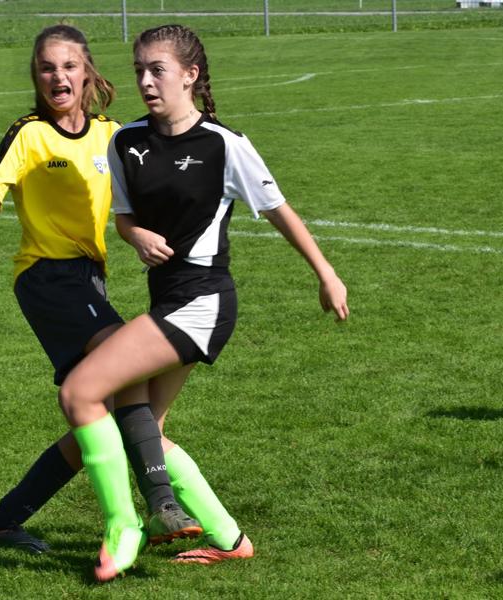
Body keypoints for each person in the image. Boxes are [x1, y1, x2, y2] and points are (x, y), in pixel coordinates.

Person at [0, 24, 201, 575]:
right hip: (45, 278)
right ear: (36, 77)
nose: (57, 76)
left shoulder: (112, 134)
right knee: (122, 363)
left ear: (85, 71)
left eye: (67, 66)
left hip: (90, 279)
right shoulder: (28, 134)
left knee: (101, 411)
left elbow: (155, 180)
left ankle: (5, 519)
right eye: (45, 67)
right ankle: (159, 504)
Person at [57, 23, 351, 579]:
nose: (145, 80)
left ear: (190, 76)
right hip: (166, 299)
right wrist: (134, 236)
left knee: (81, 391)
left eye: (158, 70)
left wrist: (326, 274)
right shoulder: (128, 141)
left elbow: (280, 211)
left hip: (203, 302)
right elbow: (124, 216)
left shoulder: (224, 143)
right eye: (139, 69)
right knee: (146, 431)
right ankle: (229, 537)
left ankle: (124, 529)